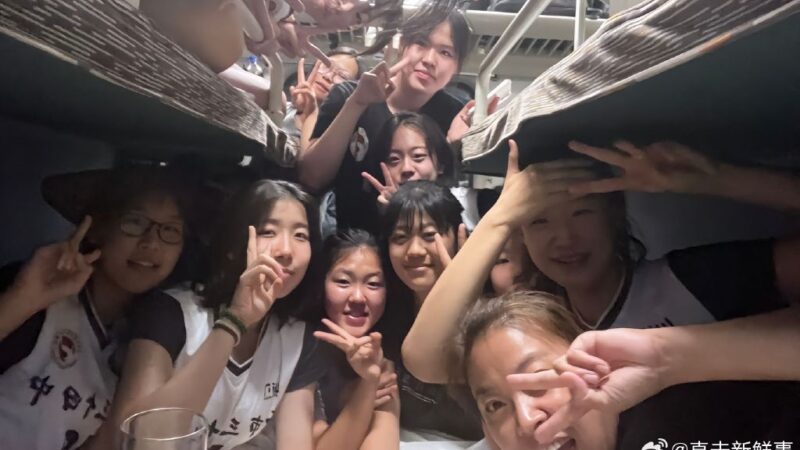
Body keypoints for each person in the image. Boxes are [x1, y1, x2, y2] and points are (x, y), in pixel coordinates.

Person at [403, 139, 800, 382]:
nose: (565, 239)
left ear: (614, 213)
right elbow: (425, 360)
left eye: (582, 212)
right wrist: (500, 218)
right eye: (539, 221)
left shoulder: (691, 280)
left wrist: (714, 179)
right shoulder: (534, 325)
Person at [86, 180, 326, 450]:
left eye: (301, 236)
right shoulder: (171, 311)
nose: (286, 251)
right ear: (233, 246)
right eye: (268, 232)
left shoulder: (297, 337)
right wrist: (235, 321)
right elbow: (139, 440)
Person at [0, 168, 192, 450]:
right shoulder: (36, 290)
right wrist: (23, 299)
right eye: (135, 222)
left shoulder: (158, 327)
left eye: (171, 230)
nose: (151, 243)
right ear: (99, 228)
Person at [457, 293, 800, 450]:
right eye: (495, 405)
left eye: (539, 379)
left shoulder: (696, 415)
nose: (527, 420)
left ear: (597, 366)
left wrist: (666, 358)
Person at [298, 7, 473, 233]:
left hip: (417, 245)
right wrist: (357, 103)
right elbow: (311, 179)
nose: (429, 59)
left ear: (457, 67)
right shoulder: (348, 95)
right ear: (402, 44)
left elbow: (446, 205)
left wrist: (452, 147)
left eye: (445, 53)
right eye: (420, 43)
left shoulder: (455, 116)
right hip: (351, 245)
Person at [379, 180, 481, 441]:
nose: (414, 251)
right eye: (400, 238)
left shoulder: (486, 317)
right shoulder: (384, 312)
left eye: (429, 235)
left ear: (458, 236)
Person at [309, 229, 401, 450]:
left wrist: (370, 377)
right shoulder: (301, 349)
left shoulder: (383, 353)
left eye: (373, 284)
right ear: (321, 284)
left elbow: (383, 438)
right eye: (343, 282)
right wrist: (367, 388)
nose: (358, 297)